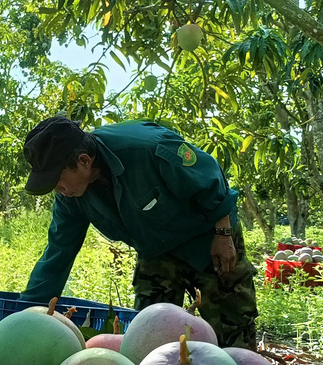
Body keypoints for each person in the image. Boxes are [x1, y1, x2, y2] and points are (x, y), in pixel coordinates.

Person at [20, 117, 258, 349]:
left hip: (209, 236)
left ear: (83, 161)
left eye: (58, 181)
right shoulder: (71, 198)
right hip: (156, 248)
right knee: (148, 336)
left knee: (232, 332)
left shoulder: (149, 148)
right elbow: (58, 254)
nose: (58, 191)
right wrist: (24, 316)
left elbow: (210, 180)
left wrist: (224, 234)